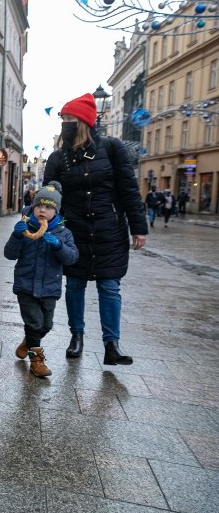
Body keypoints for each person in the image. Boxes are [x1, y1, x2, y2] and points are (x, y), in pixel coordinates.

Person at [43, 92, 148, 365]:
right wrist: (43, 223)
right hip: (74, 231)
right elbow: (49, 197)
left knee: (110, 287)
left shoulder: (113, 149)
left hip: (109, 230)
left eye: (69, 118)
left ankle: (111, 344)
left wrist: (139, 227)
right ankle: (76, 337)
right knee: (75, 285)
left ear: (85, 121)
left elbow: (129, 190)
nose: (65, 123)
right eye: (63, 118)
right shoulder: (57, 158)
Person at [5, 182, 79, 377]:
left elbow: (72, 258)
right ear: (33, 207)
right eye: (39, 206)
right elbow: (9, 254)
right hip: (26, 285)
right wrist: (16, 236)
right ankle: (36, 361)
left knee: (46, 325)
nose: (42, 210)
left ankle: (29, 341)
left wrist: (58, 246)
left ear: (56, 211)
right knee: (35, 324)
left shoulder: (64, 233)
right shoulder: (25, 229)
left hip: (50, 288)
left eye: (48, 207)